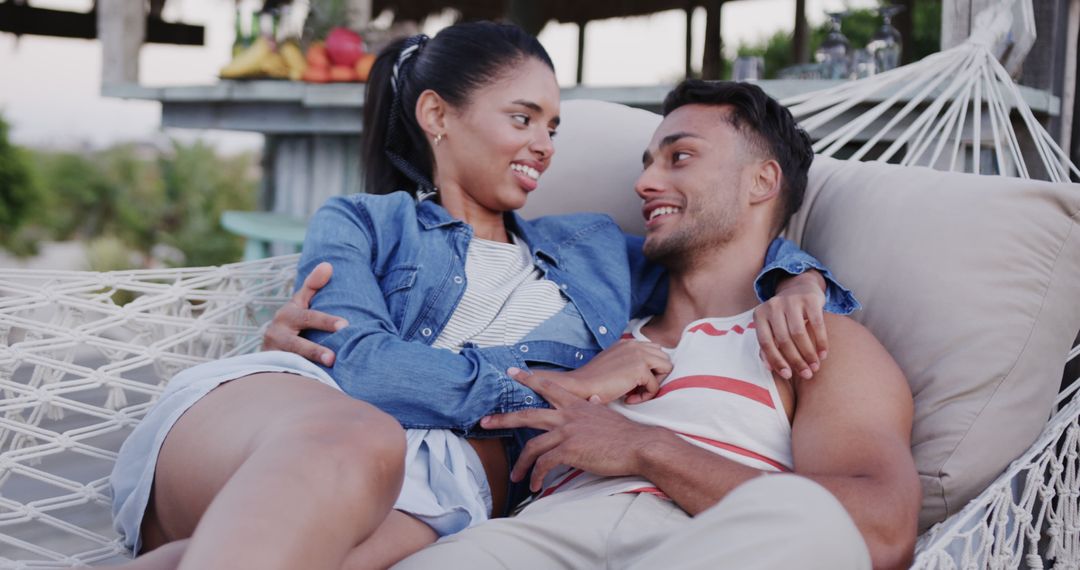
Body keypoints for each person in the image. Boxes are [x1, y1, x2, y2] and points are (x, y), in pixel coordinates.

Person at [109, 23, 856, 570]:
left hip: (443, 492)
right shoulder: (367, 221)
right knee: (360, 437)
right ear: (438, 116)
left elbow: (714, 246)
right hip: (294, 432)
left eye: (554, 126)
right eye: (522, 118)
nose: (545, 145)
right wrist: (556, 388)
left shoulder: (593, 250)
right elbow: (361, 370)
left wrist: (800, 277)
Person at [384, 80, 922, 570]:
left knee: (809, 522)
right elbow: (425, 366)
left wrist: (646, 448)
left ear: (762, 181)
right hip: (538, 540)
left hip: (709, 543)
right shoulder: (584, 332)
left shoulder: (813, 339)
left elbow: (880, 530)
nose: (645, 183)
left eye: (679, 157)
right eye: (647, 164)